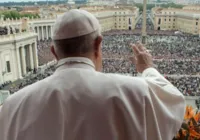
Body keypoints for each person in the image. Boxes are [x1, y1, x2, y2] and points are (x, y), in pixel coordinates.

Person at [0, 9, 185, 140]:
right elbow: (173, 99)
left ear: (54, 52)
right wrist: (147, 68)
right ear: (98, 44)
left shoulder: (12, 106)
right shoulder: (136, 91)